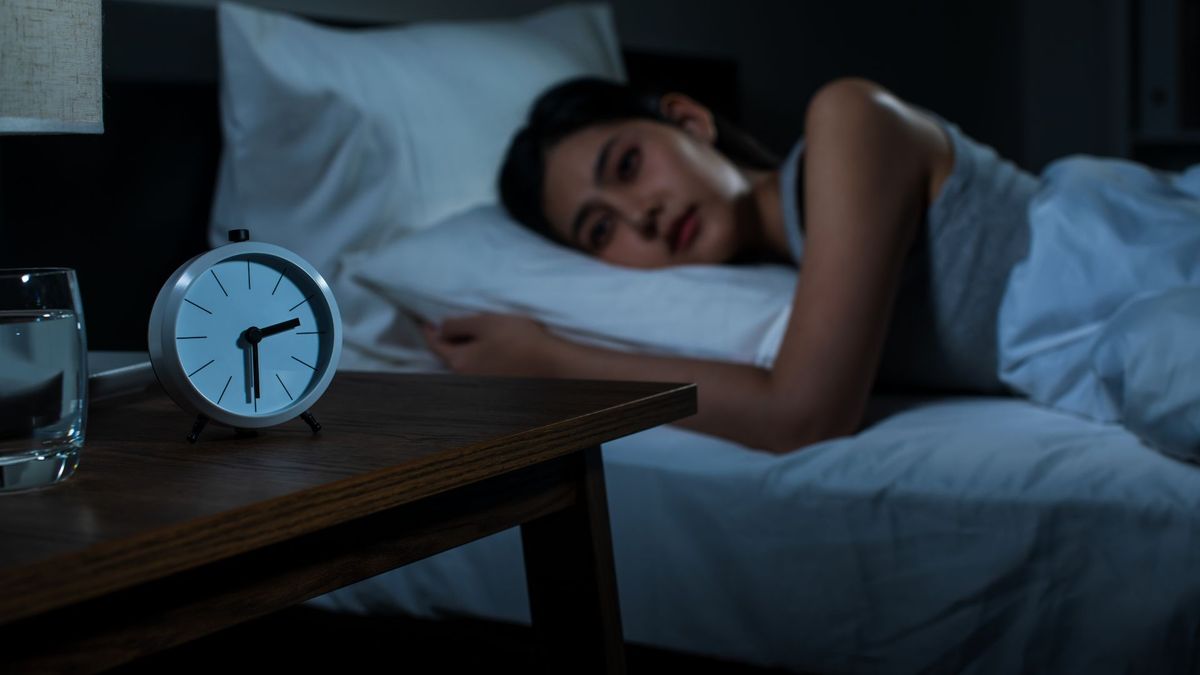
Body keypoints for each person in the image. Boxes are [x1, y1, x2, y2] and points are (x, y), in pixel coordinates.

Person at [420, 76, 1200, 458]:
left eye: (627, 166)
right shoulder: (789, 280)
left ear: (687, 120)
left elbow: (801, 413)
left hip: (1136, 260)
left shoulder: (846, 121)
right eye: (601, 229)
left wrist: (551, 361)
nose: (641, 216)